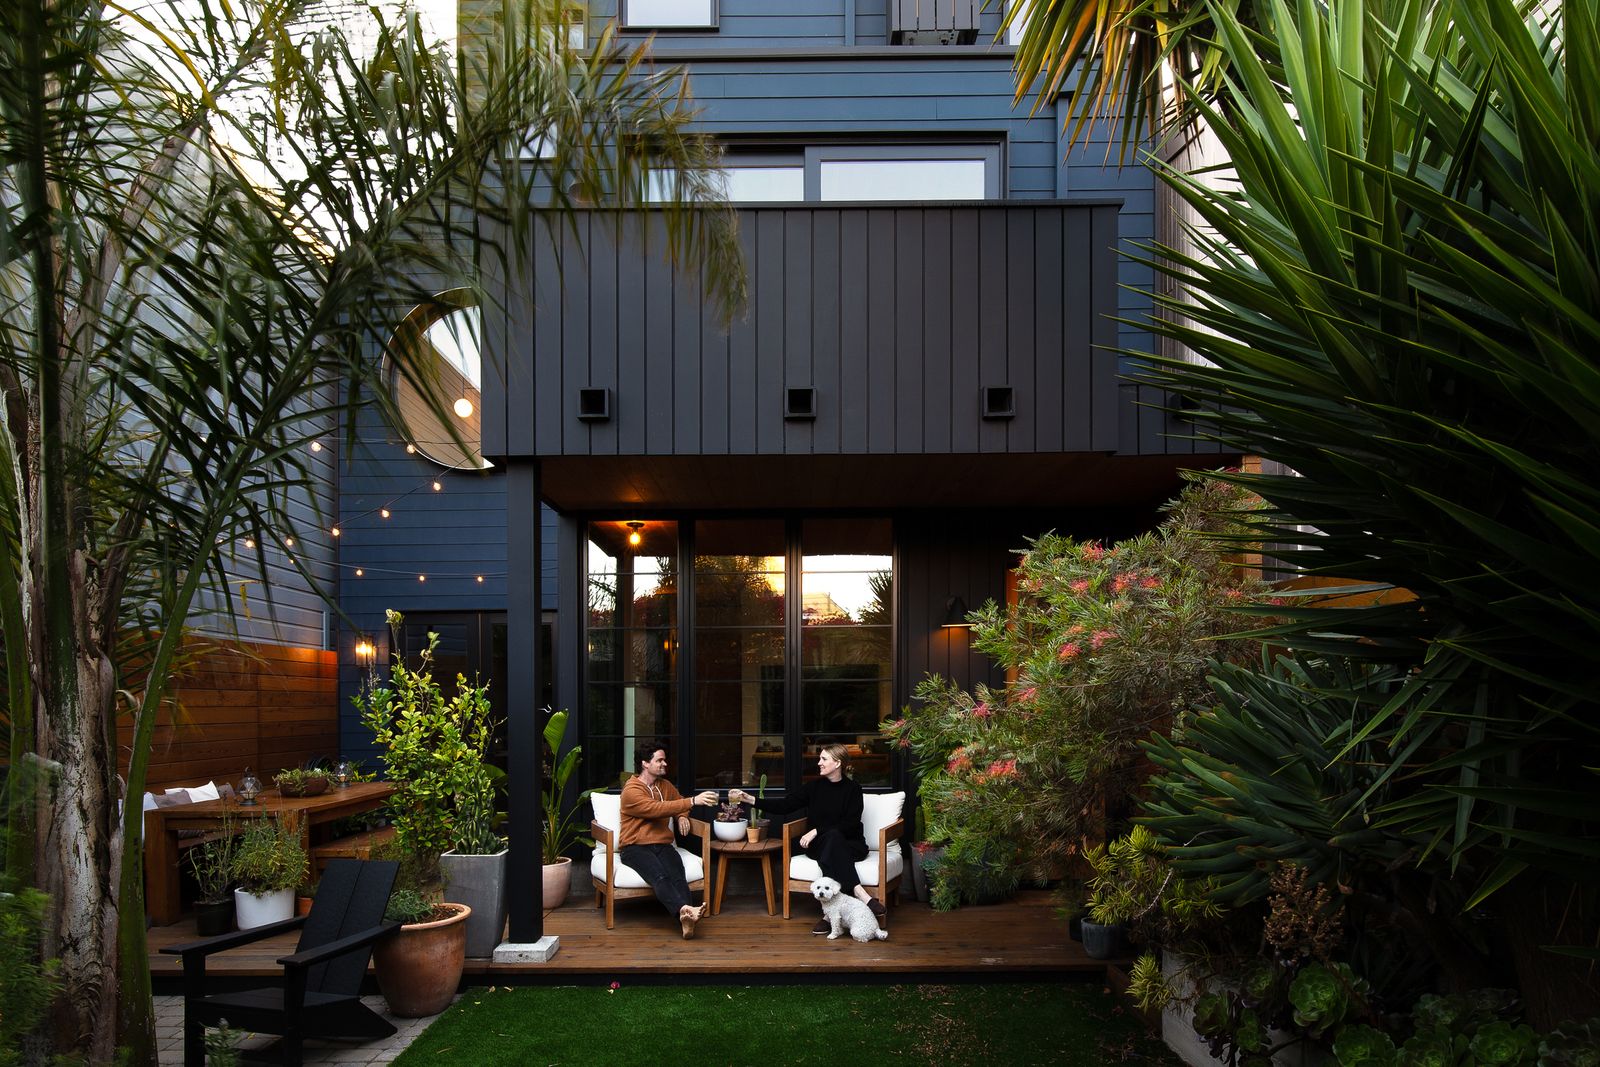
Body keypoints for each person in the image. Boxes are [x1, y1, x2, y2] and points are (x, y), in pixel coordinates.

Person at [729, 743, 888, 934]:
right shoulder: (814, 787)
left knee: (834, 841)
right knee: (831, 842)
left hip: (851, 844)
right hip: (820, 846)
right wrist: (750, 799)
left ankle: (828, 916)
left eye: (824, 759)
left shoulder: (853, 789)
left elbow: (850, 824)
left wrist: (816, 831)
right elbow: (785, 806)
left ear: (838, 763)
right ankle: (860, 893)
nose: (819, 762)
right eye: (820, 758)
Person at [619, 739, 720, 939]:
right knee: (660, 877)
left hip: (662, 844)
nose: (665, 763)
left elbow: (678, 802)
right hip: (634, 847)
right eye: (659, 760)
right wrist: (693, 801)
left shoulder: (664, 785)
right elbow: (654, 809)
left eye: (664, 760)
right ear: (645, 763)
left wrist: (682, 816)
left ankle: (687, 920)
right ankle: (685, 911)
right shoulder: (631, 790)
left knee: (678, 875)